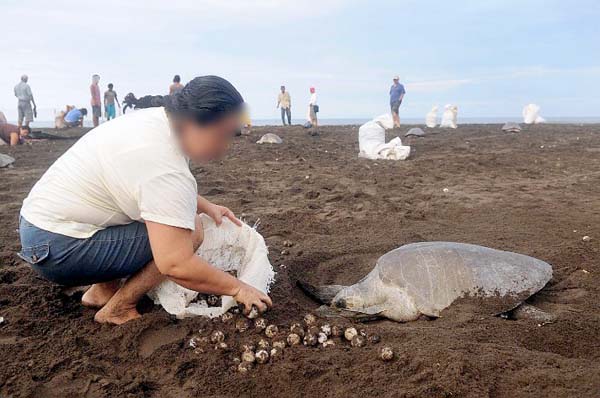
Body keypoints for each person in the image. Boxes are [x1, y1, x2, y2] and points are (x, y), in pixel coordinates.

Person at [18, 75, 272, 325]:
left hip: (39, 227)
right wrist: (239, 289)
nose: (224, 147)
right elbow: (175, 263)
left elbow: (149, 187)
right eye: (223, 136)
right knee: (192, 230)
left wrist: (207, 205)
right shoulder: (166, 166)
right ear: (196, 122)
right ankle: (119, 307)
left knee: (149, 213)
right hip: (58, 247)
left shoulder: (154, 122)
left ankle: (102, 291)